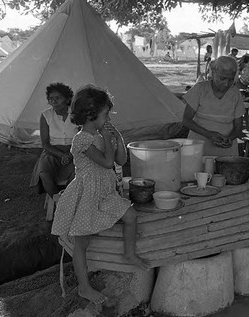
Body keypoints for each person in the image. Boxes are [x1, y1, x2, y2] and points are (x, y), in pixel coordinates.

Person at [51, 85, 150, 305]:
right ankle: (84, 287)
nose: (108, 118)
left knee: (131, 216)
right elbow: (106, 162)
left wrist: (118, 138)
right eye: (106, 114)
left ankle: (129, 253)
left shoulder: (102, 135)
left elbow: (121, 160)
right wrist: (106, 138)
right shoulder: (82, 140)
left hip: (106, 192)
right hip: (87, 194)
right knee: (82, 243)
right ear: (90, 115)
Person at [182, 56, 245, 156]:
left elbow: (238, 127)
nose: (226, 84)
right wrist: (209, 135)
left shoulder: (235, 94)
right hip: (198, 148)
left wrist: (230, 138)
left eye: (231, 80)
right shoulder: (200, 89)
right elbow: (186, 120)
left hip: (226, 151)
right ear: (214, 72)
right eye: (222, 78)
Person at [30, 83, 78, 198]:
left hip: (75, 151)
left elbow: (83, 137)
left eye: (58, 98)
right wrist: (62, 155)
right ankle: (57, 200)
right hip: (52, 151)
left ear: (67, 99)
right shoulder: (46, 115)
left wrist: (71, 154)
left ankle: (68, 199)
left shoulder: (76, 114)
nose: (53, 102)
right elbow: (45, 144)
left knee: (76, 172)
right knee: (44, 173)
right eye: (50, 99)